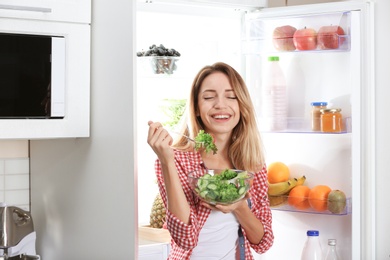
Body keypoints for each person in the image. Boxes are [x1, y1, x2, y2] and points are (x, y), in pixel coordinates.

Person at [147, 62, 274, 259]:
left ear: (241, 106)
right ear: (196, 108)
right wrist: (166, 162)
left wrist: (240, 206)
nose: (221, 105)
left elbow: (263, 242)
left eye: (231, 96)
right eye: (208, 97)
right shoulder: (177, 159)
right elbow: (184, 239)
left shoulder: (251, 162)